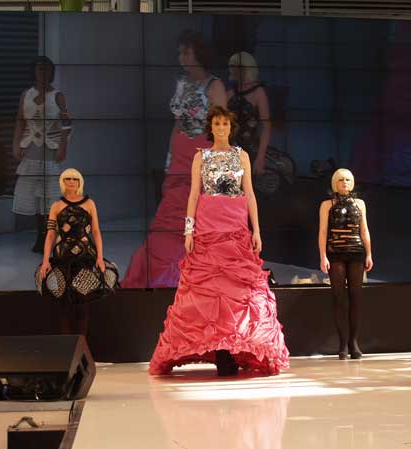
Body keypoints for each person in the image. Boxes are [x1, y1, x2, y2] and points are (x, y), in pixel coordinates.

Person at [148, 106, 289, 376]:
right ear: (210, 128)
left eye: (225, 123)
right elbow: (193, 194)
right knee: (210, 289)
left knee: (238, 290)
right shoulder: (201, 156)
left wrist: (256, 231)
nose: (221, 127)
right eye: (217, 123)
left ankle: (234, 349)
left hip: (235, 227)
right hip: (208, 227)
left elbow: (250, 194)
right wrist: (189, 231)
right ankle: (220, 352)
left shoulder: (242, 155)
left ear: (231, 127)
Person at [121, 30, 227, 288]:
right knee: (169, 218)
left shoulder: (215, 86)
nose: (181, 58)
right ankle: (156, 272)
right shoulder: (181, 83)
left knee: (201, 216)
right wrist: (169, 161)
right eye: (180, 53)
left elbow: (222, 130)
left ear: (199, 54)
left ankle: (196, 276)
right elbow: (177, 124)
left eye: (186, 52)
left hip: (203, 154)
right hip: (180, 155)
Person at [37, 168, 118, 336]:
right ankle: (66, 346)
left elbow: (96, 231)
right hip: (62, 257)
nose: (71, 182)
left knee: (83, 303)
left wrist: (100, 258)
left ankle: (81, 344)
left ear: (80, 182)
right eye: (68, 178)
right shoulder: (56, 206)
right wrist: (45, 260)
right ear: (62, 182)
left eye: (75, 179)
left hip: (85, 256)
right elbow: (51, 234)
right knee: (63, 304)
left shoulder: (89, 204)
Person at [12, 56, 72, 253]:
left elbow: (66, 123)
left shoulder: (58, 95)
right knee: (34, 197)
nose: (43, 73)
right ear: (34, 72)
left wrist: (63, 147)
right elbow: (20, 121)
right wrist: (15, 145)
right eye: (39, 69)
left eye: (47, 69)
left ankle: (50, 236)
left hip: (50, 149)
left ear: (52, 72)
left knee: (50, 197)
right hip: (31, 148)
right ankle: (40, 235)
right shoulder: (26, 94)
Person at [318, 168, 373, 359]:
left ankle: (354, 342)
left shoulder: (360, 204)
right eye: (341, 179)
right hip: (335, 253)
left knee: (356, 297)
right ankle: (343, 343)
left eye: (348, 179)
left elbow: (364, 230)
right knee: (338, 297)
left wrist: (369, 254)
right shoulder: (327, 204)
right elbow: (323, 232)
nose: (345, 182)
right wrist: (323, 256)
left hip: (357, 252)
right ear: (335, 182)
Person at [226, 51, 294, 196]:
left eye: (235, 67)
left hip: (250, 149)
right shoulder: (230, 94)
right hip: (230, 150)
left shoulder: (258, 93)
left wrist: (260, 157)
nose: (231, 70)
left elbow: (266, 127)